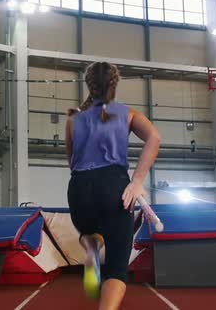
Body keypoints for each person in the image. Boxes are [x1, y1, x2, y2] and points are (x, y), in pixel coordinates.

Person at [65, 62, 161, 309]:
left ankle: (91, 243)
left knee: (90, 230)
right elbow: (154, 137)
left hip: (78, 189)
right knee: (117, 269)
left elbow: (71, 162)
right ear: (114, 84)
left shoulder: (73, 118)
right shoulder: (128, 114)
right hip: (114, 186)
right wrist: (137, 181)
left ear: (89, 84)